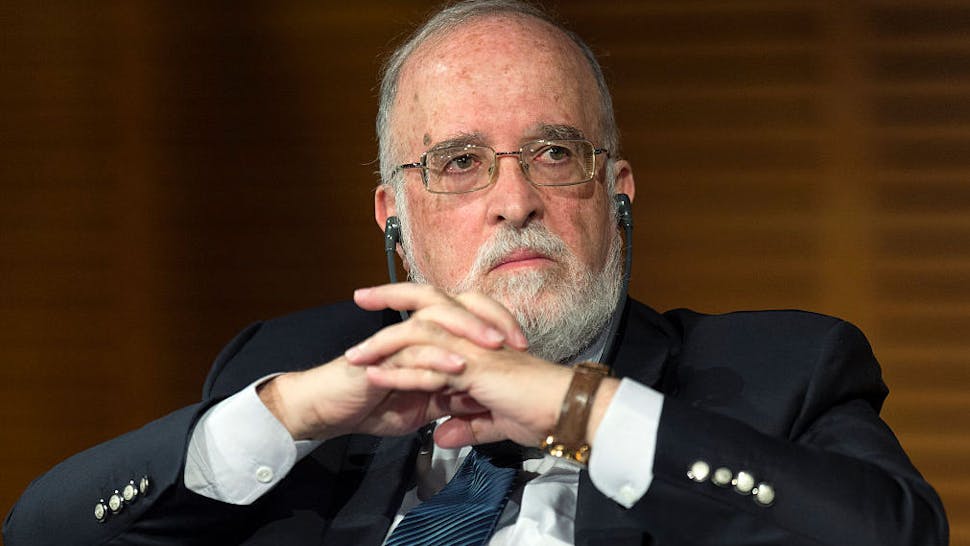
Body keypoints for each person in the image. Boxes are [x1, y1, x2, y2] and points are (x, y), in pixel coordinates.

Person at [3, 1, 948, 544]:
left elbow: (893, 534)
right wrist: (291, 412)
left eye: (554, 153)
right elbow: (41, 532)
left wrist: (577, 410)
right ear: (394, 218)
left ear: (617, 193)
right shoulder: (297, 369)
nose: (514, 199)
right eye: (459, 163)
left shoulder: (779, 372)